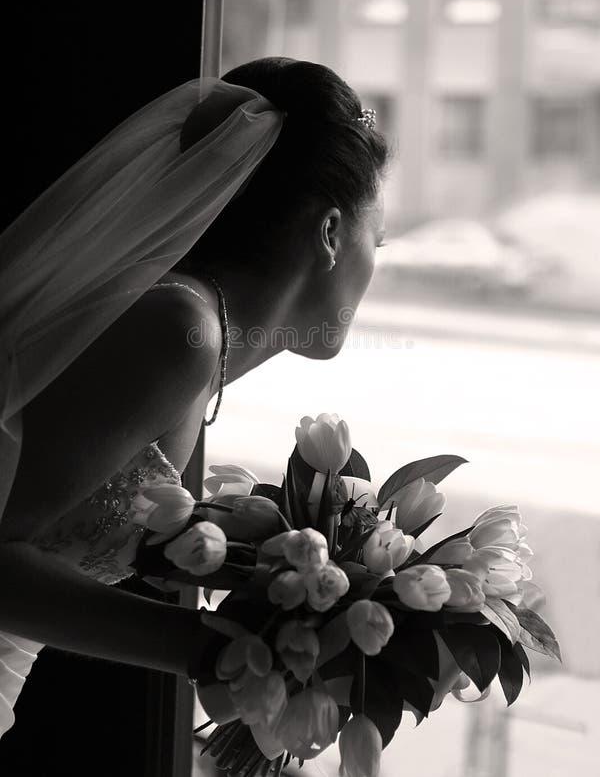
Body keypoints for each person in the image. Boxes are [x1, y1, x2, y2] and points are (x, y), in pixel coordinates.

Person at [0, 56, 389, 739]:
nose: (376, 261)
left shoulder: (192, 335)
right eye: (376, 239)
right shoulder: (179, 333)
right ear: (330, 234)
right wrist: (226, 653)